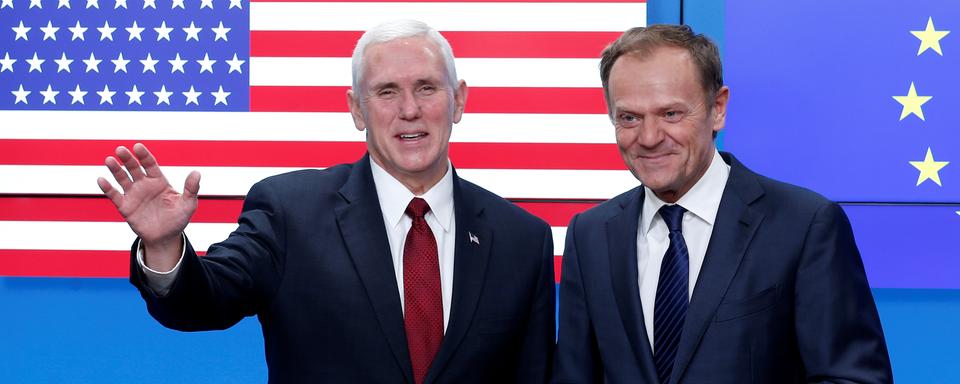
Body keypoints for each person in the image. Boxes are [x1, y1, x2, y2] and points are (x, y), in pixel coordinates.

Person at [98, 19, 555, 383]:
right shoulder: (288, 211)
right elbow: (203, 303)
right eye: (386, 92)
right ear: (357, 109)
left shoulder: (521, 238)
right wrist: (163, 248)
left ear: (458, 101)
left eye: (427, 88)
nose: (409, 110)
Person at [553, 25, 892, 383]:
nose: (649, 138)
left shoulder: (805, 226)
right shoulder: (589, 235)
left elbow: (853, 378)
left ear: (718, 108)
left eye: (670, 114)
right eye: (629, 117)